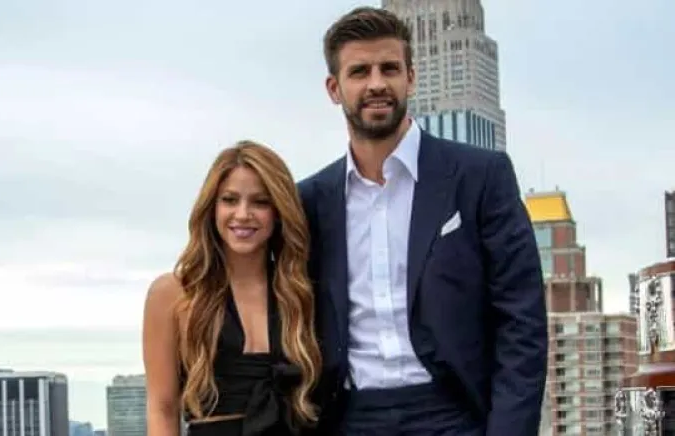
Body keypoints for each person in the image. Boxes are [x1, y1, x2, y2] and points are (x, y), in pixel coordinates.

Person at [298, 7, 548, 436]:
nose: (377, 83)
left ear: (411, 78)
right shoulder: (310, 201)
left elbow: (522, 320)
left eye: (390, 68)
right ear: (334, 88)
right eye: (359, 71)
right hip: (350, 417)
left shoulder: (480, 176)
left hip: (454, 414)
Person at [142, 141, 323, 436]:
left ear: (278, 212)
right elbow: (162, 408)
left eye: (260, 202)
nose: (242, 214)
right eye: (229, 200)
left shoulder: (300, 291)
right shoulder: (173, 293)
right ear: (212, 207)